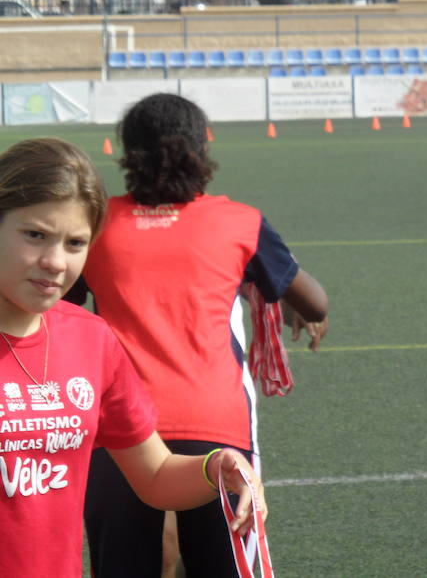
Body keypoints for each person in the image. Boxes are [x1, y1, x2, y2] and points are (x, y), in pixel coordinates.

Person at [65, 93, 329, 577]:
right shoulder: (239, 222)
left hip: (118, 428)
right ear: (202, 148)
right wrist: (275, 292)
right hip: (216, 432)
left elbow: (58, 307)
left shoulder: (96, 225)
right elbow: (316, 302)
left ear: (127, 153)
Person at [0, 137, 265, 578]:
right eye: (35, 235)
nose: (54, 262)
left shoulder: (91, 339)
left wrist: (216, 466)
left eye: (75, 243)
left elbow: (156, 474)